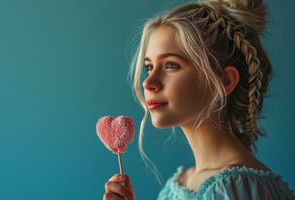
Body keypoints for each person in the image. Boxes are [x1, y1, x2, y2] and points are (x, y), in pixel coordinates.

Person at [103, 0, 295, 199]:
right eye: (149, 67)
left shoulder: (235, 189)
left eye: (170, 65)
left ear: (224, 81)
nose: (148, 82)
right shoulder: (179, 183)